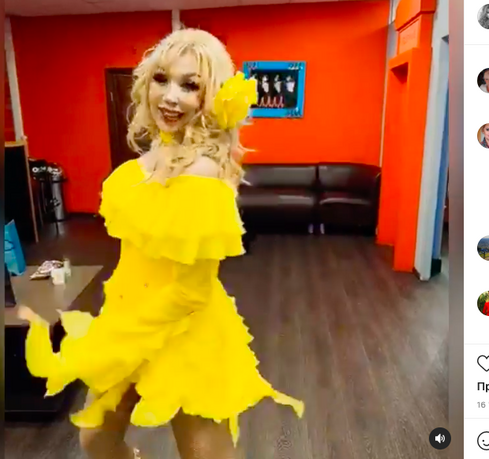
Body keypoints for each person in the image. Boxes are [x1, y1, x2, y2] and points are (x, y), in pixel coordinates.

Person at [17, 29, 304, 459]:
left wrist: (124, 341)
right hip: (127, 316)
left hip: (183, 330)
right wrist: (114, 319)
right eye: (161, 79)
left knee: (202, 452)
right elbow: (133, 260)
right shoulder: (139, 167)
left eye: (190, 85)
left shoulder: (203, 174)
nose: (170, 97)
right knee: (96, 439)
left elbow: (191, 291)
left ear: (210, 97)